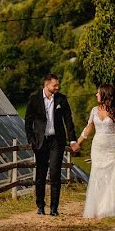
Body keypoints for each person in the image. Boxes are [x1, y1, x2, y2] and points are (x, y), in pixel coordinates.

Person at [75, 84, 115, 218]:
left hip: (112, 146)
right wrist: (78, 142)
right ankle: (99, 207)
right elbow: (88, 128)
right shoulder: (94, 110)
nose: (96, 95)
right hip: (97, 147)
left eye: (98, 93)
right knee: (98, 175)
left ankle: (113, 207)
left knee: (113, 175)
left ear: (104, 94)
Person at [24, 73, 77, 216]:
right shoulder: (34, 99)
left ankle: (54, 208)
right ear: (47, 85)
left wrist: (72, 139)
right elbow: (28, 121)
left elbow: (68, 120)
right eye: (55, 85)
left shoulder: (62, 99)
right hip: (40, 142)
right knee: (41, 175)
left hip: (56, 142)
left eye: (58, 85)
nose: (57, 87)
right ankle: (40, 206)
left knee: (55, 174)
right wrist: (31, 139)